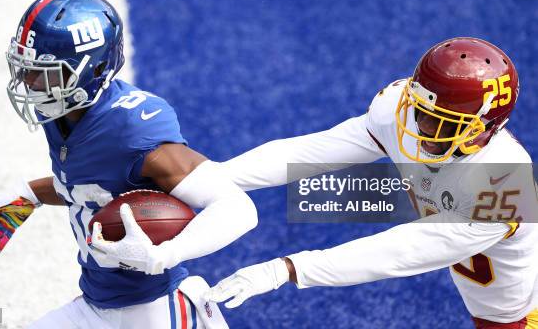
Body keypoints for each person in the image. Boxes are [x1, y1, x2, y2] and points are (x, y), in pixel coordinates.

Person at [0, 0, 258, 328]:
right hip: (96, 308)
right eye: (26, 69)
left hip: (158, 312)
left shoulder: (132, 128)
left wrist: (160, 255)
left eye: (44, 73)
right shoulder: (63, 115)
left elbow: (239, 208)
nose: (30, 83)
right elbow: (92, 186)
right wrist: (31, 195)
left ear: (96, 68)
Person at [207, 38, 538, 328]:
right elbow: (311, 151)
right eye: (422, 112)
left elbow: (401, 251)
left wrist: (286, 269)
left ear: (488, 126)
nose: (423, 128)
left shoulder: (504, 180)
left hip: (520, 312)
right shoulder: (399, 110)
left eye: (444, 123)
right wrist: (209, 180)